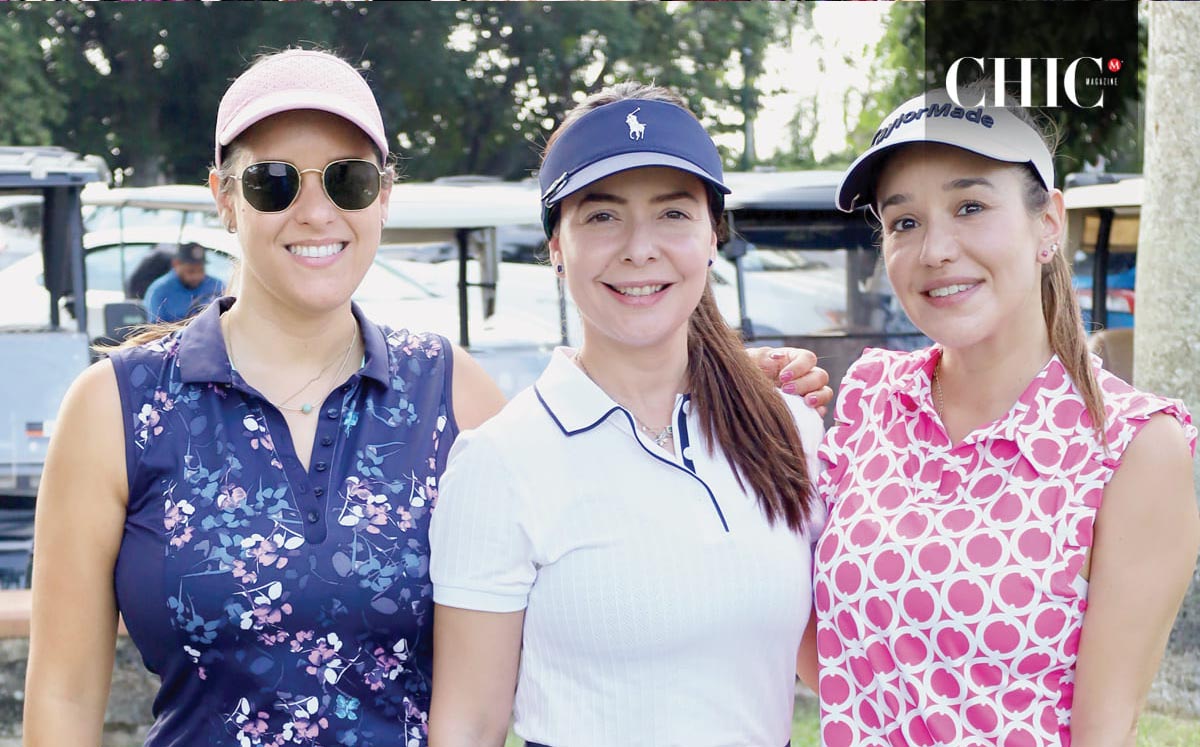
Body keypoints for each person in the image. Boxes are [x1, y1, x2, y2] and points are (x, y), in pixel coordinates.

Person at [23, 51, 831, 747]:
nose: (315, 210)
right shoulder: (117, 408)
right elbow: (60, 694)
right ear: (223, 196)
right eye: (272, 182)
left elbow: (609, 424)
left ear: (384, 196)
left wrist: (728, 376)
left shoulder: (448, 393)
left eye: (349, 179)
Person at [427, 83, 826, 747]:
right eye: (602, 216)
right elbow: (469, 724)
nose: (640, 249)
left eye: (673, 214)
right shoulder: (500, 461)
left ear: (712, 235)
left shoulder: (788, 427)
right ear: (556, 245)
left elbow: (836, 666)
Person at [809, 88, 1198, 746]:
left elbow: (1103, 732)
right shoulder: (873, 397)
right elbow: (840, 657)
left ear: (1048, 223)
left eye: (970, 206)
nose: (935, 249)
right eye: (904, 221)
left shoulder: (1133, 447)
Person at [143, 241, 224, 322]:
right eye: (191, 271)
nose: (196, 276)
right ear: (176, 264)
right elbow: (156, 329)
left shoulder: (217, 285)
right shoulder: (158, 291)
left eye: (201, 270)